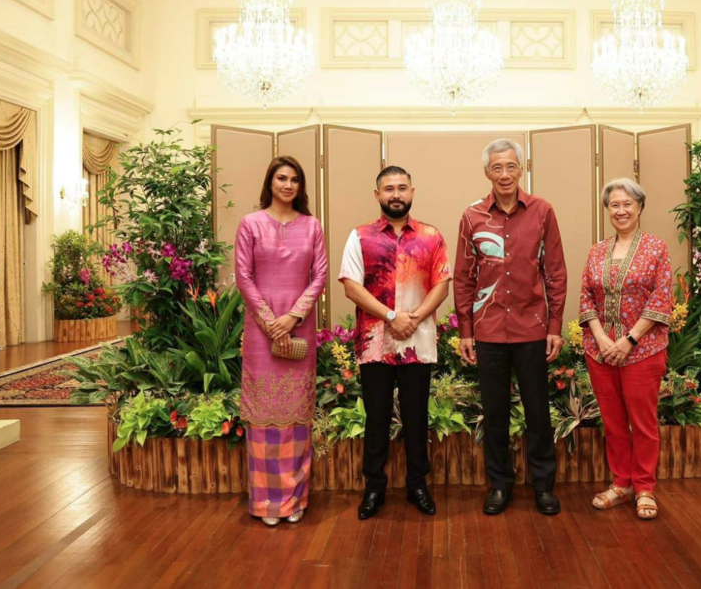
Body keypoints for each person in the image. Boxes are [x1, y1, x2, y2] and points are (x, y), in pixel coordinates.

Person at [453, 138, 567, 516]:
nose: (504, 174)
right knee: (495, 412)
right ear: (487, 172)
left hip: (532, 329)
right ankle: (499, 486)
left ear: (522, 168)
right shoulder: (471, 217)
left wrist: (554, 325)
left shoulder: (542, 211)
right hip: (487, 331)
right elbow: (463, 278)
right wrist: (466, 330)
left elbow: (556, 272)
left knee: (538, 413)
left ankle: (543, 487)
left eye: (511, 166)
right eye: (497, 167)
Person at [339, 166, 451, 520]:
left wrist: (414, 319)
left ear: (413, 192)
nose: (396, 194)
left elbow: (442, 284)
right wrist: (391, 317)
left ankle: (418, 485)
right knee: (376, 419)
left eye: (402, 187)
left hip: (418, 342)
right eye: (389, 188)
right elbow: (351, 286)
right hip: (375, 344)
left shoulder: (432, 236)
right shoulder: (359, 236)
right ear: (377, 195)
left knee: (417, 418)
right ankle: (374, 488)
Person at [235, 156, 328, 527]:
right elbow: (243, 275)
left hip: (299, 330)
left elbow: (320, 276)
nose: (288, 185)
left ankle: (294, 498)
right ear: (269, 183)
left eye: (294, 180)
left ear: (301, 187)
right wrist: (271, 322)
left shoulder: (312, 226)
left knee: (296, 421)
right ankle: (266, 503)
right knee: (263, 422)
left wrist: (293, 317)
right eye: (281, 178)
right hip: (261, 334)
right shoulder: (250, 224)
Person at [579, 178, 672, 520]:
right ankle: (621, 483)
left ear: (640, 208)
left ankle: (645, 487)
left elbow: (662, 297)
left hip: (643, 349)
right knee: (613, 421)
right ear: (608, 210)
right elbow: (586, 295)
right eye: (614, 205)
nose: (621, 210)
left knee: (643, 422)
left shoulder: (656, 248)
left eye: (627, 204)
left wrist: (629, 339)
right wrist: (602, 338)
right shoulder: (597, 250)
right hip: (600, 350)